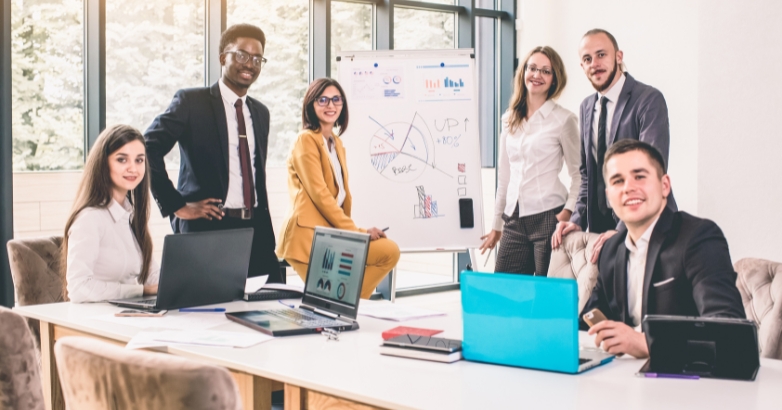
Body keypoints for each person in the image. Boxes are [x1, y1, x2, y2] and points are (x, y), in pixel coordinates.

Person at [582, 139, 744, 358]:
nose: (628, 187)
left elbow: (730, 332)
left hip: (689, 374)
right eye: (618, 181)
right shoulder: (610, 249)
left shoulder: (699, 237)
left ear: (664, 185)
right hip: (623, 373)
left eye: (639, 176)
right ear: (609, 196)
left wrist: (645, 343)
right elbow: (589, 318)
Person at [144, 24, 281, 281]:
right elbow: (147, 147)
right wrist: (176, 205)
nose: (250, 64)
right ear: (222, 58)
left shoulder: (261, 113)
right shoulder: (191, 103)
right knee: (210, 304)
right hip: (207, 230)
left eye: (257, 59)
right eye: (242, 55)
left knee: (272, 301)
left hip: (256, 232)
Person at [552, 28, 677, 263]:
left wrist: (622, 230)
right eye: (587, 59)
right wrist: (576, 219)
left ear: (619, 56)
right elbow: (587, 175)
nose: (595, 63)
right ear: (582, 66)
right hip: (599, 227)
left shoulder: (648, 99)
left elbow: (650, 173)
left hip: (645, 226)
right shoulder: (586, 107)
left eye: (601, 55)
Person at [276, 78, 400, 298]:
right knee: (333, 300)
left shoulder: (336, 144)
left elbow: (340, 198)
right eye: (322, 100)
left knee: (389, 251)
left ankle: (350, 303)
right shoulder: (305, 140)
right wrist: (358, 232)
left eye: (336, 99)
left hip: (330, 236)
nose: (330, 105)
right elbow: (321, 196)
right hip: (307, 238)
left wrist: (354, 232)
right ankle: (347, 304)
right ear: (311, 104)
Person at [478, 46, 580, 276]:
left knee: (544, 292)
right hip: (514, 219)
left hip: (549, 217)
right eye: (532, 68)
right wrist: (496, 225)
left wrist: (567, 212)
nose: (537, 75)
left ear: (554, 79)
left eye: (546, 71)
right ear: (523, 72)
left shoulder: (564, 120)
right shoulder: (509, 119)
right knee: (506, 289)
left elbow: (579, 175)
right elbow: (505, 178)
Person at [62, 125, 160, 303]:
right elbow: (78, 288)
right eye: (122, 160)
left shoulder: (131, 216)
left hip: (126, 312)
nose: (133, 168)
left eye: (139, 160)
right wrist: (141, 291)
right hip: (95, 315)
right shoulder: (90, 218)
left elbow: (153, 277)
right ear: (103, 163)